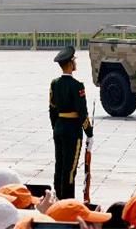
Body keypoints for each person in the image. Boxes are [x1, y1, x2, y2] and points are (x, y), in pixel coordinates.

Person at [48, 46, 92, 199]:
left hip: (59, 128)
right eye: (74, 61)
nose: (75, 63)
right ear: (70, 64)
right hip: (72, 130)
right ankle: (67, 200)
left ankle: (58, 197)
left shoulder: (54, 84)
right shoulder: (77, 85)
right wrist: (89, 132)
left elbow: (52, 110)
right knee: (70, 169)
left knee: (59, 165)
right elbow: (82, 112)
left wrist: (56, 127)